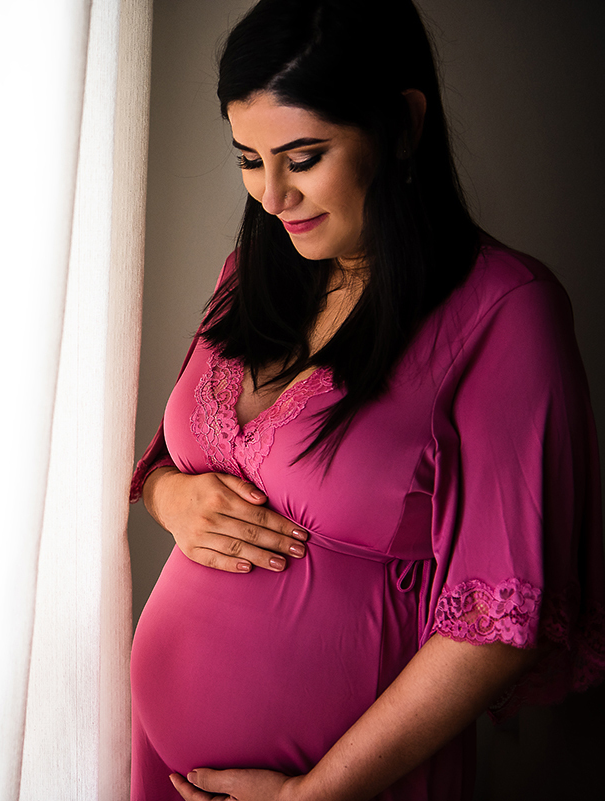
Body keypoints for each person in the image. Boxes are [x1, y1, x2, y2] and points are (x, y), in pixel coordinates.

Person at [127, 1, 605, 799]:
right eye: (248, 158)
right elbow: (173, 454)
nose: (272, 196)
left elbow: (498, 623)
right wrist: (172, 496)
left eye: (303, 156)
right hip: (167, 769)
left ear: (402, 125)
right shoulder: (255, 271)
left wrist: (306, 797)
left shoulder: (506, 310)